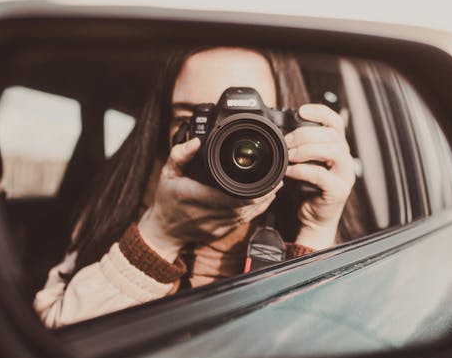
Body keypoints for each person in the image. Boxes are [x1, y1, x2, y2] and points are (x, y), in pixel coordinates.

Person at [33, 46, 365, 328]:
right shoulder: (115, 203)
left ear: (288, 128)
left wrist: (317, 230)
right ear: (162, 128)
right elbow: (57, 332)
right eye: (194, 120)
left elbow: (326, 342)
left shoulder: (306, 208)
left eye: (251, 120)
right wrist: (159, 234)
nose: (224, 142)